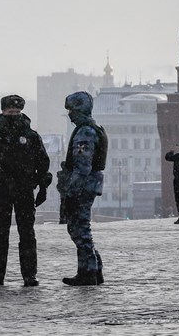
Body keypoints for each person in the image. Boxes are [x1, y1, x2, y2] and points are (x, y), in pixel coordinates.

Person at [0, 94, 51, 287]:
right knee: (0, 233)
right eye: (10, 112)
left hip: (24, 189)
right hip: (1, 190)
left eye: (17, 112)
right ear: (3, 111)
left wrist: (42, 186)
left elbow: (43, 162)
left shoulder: (30, 135)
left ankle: (29, 275)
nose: (14, 115)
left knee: (26, 233)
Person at [57, 91, 107, 286]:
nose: (69, 114)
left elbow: (82, 166)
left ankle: (88, 271)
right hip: (88, 186)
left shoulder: (85, 132)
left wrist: (70, 191)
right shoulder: (92, 128)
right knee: (81, 229)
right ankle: (93, 269)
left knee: (79, 230)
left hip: (82, 187)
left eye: (71, 110)